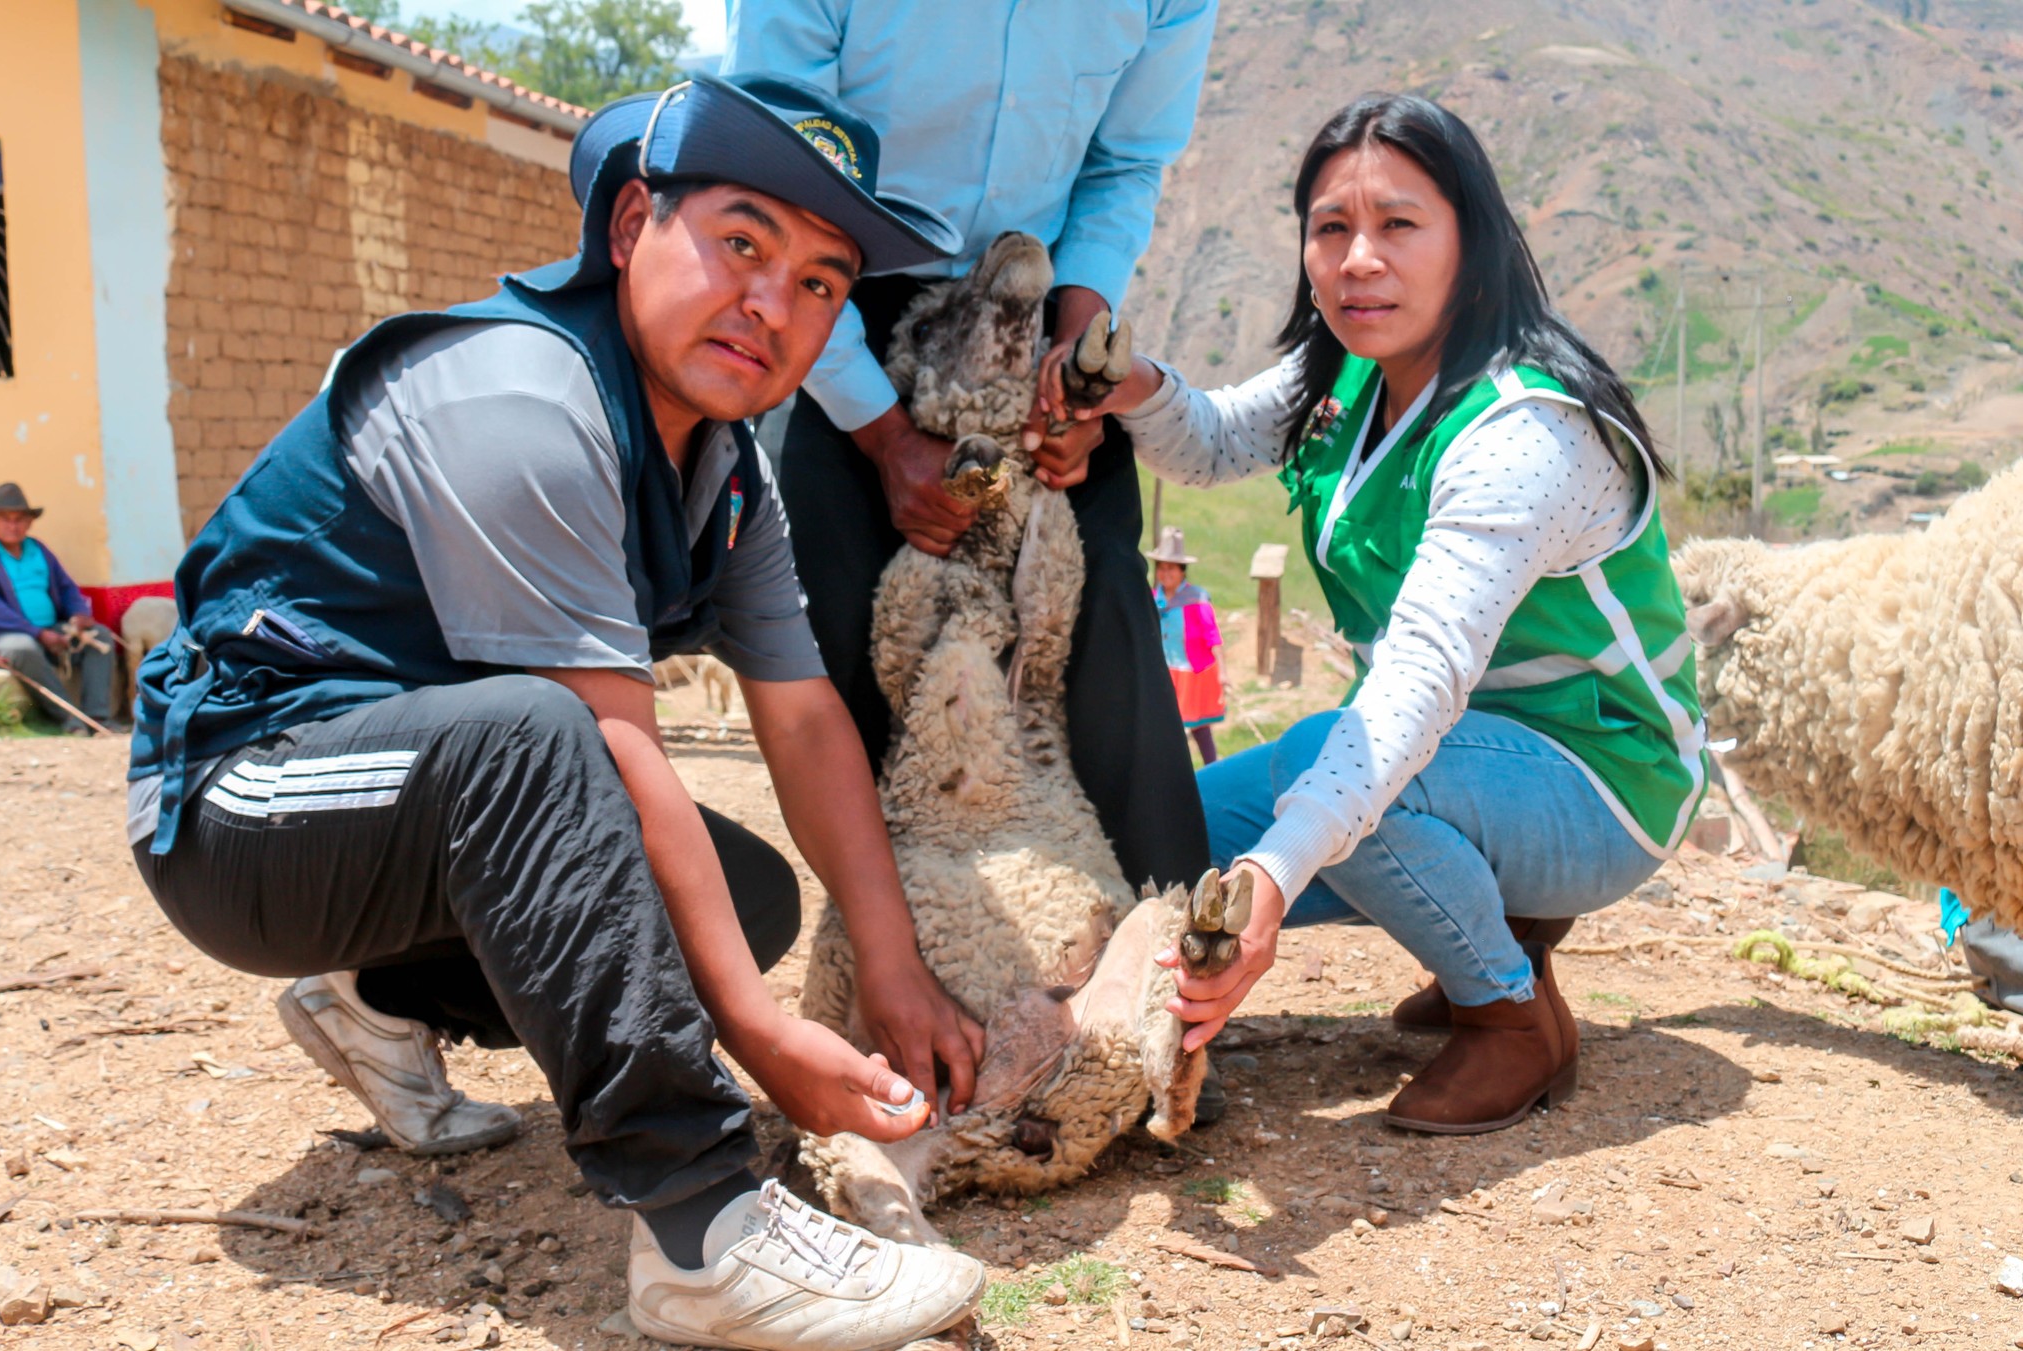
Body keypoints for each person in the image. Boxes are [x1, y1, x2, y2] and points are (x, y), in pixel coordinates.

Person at [128, 76, 994, 1349]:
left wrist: (893, 969)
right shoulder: (523, 395)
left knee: (739, 897)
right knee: (544, 743)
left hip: (409, 797)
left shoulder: (729, 469)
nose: (772, 303)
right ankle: (703, 1229)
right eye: (742, 243)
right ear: (636, 221)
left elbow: (801, 717)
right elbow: (599, 737)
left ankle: (376, 998)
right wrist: (757, 1036)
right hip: (241, 798)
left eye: (820, 282)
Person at [1064, 94, 1708, 1135]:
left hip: (1600, 780)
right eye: (1331, 228)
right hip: (1447, 757)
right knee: (1158, 836)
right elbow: (1214, 441)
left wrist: (1276, 876)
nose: (1359, 258)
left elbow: (1415, 684)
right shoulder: (1348, 374)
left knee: (1349, 772)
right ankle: (1501, 928)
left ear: (1472, 244)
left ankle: (1507, 1015)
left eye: (1398, 225)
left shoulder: (1520, 427)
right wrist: (1128, 386)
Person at [724, 1, 1220, 895]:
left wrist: (1077, 364)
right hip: (836, 296)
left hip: (1037, 307)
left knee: (1101, 606)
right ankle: (906, 957)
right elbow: (778, 166)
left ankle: (1164, 972)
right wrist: (880, 435)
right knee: (838, 620)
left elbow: (1125, 164)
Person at [0, 482, 117, 735]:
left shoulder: (38, 549)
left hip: (50, 630)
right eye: (5, 519)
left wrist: (77, 615)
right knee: (22, 647)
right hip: (3, 636)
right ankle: (69, 718)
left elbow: (66, 587)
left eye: (20, 519)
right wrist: (37, 633)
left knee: (100, 636)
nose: (13, 525)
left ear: (29, 522)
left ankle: (98, 715)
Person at [1147, 527, 1225, 765]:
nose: (1165, 572)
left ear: (1182, 571)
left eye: (1171, 567)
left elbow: (1213, 637)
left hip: (1193, 673)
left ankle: (1213, 769)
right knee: (1165, 727)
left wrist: (1223, 672)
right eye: (1161, 567)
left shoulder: (1197, 599)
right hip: (1164, 673)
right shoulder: (1151, 598)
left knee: (1199, 728)